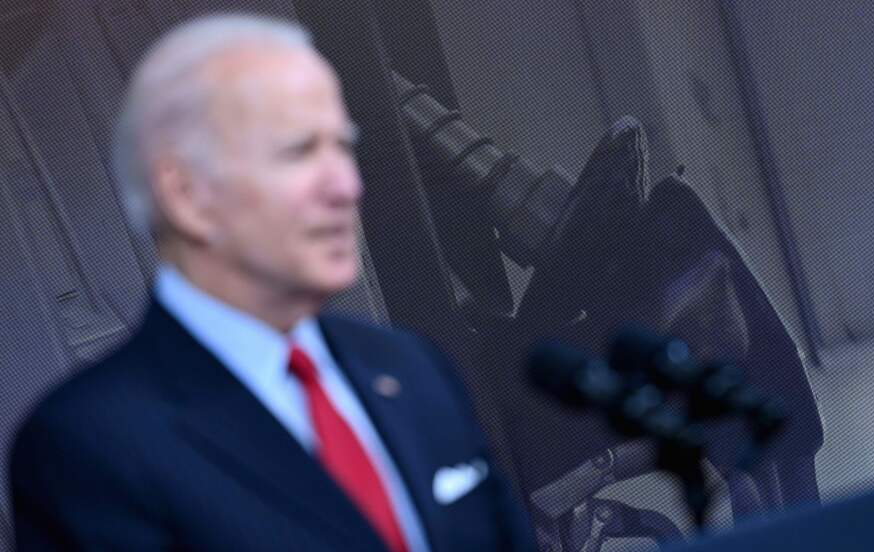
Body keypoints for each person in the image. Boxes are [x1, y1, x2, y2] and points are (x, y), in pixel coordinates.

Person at [10, 14, 536, 551]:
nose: (344, 186)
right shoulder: (89, 440)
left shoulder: (410, 369)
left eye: (340, 149)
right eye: (297, 154)